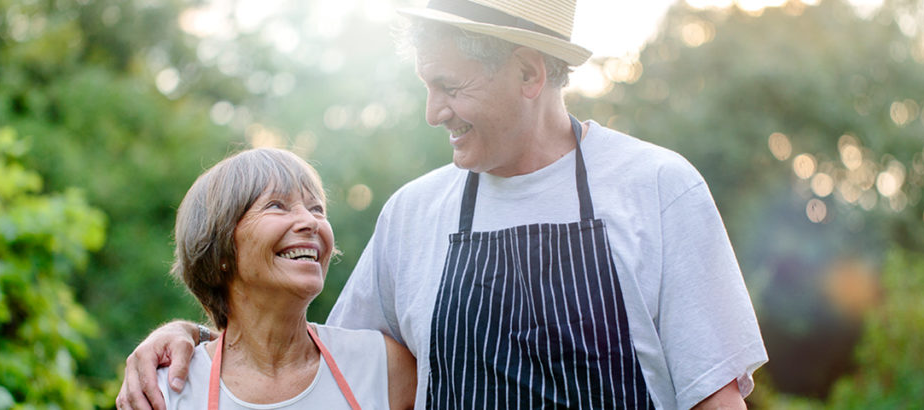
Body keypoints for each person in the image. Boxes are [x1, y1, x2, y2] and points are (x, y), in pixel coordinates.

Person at [118, 1, 768, 409]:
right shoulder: (415, 215)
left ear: (528, 73)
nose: (435, 112)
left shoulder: (657, 187)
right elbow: (301, 358)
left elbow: (713, 399)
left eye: (449, 87)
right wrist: (188, 338)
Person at [127, 148, 415, 409]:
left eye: (317, 209)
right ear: (221, 246)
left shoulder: (385, 368)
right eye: (277, 205)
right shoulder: (166, 390)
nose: (311, 222)